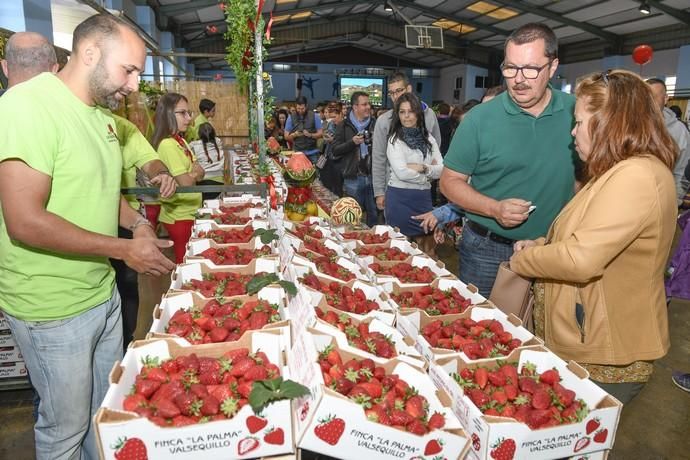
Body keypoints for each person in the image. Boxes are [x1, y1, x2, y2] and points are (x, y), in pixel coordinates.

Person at [0, 14, 175, 460]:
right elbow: (24, 220)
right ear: (91, 54)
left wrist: (137, 223)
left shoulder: (100, 117)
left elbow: (97, 191)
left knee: (104, 414)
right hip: (53, 307)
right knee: (64, 431)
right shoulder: (27, 107)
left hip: (101, 294)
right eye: (129, 70)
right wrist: (123, 249)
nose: (135, 85)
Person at [510, 70, 677, 404]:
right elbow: (587, 236)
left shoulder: (636, 176)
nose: (573, 133)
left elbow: (581, 259)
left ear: (610, 123)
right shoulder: (618, 170)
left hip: (606, 351)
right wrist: (543, 245)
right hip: (592, 338)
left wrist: (523, 258)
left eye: (580, 122)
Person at [440, 23, 577, 297]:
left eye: (531, 69)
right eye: (511, 68)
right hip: (488, 250)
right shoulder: (480, 119)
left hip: (555, 248)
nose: (519, 79)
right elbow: (449, 182)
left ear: (552, 67)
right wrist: (494, 208)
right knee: (484, 329)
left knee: (547, 334)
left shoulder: (576, 112)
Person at [372, 72, 441, 215]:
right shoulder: (384, 121)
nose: (395, 96)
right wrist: (379, 192)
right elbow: (378, 159)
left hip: (424, 190)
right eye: (391, 93)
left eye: (399, 91)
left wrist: (425, 170)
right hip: (395, 190)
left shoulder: (430, 115)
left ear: (409, 89)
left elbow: (436, 153)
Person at [385, 93, 443, 253]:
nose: (406, 116)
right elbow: (402, 173)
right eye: (402, 112)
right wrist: (429, 173)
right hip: (399, 199)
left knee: (427, 252)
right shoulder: (394, 140)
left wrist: (423, 168)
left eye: (410, 111)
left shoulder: (429, 139)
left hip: (423, 199)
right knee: (398, 252)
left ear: (418, 113)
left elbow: (442, 170)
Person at [152, 92, 205, 264]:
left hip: (189, 212)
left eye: (189, 113)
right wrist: (192, 174)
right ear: (168, 114)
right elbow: (186, 182)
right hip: (179, 216)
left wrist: (192, 174)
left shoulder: (181, 142)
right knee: (186, 263)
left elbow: (201, 170)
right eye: (183, 113)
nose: (188, 118)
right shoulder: (167, 145)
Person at [332, 91, 377, 227]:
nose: (368, 107)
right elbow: (335, 150)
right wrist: (352, 142)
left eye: (368, 104)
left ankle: (372, 244)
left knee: (374, 214)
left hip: (373, 177)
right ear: (355, 107)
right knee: (352, 217)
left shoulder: (375, 124)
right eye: (364, 104)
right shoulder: (343, 126)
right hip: (353, 178)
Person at [647, 78, 690, 204]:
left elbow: (682, 171)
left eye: (654, 96)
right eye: (645, 97)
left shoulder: (679, 131)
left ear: (665, 98)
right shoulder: (632, 125)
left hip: (662, 200)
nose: (649, 102)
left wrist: (675, 202)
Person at [190, 122, 225, 200]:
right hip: (219, 183)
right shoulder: (218, 142)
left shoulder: (194, 145)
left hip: (202, 182)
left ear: (199, 134)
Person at [285, 95, 323, 162]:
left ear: (306, 106)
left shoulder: (315, 116)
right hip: (297, 152)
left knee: (314, 172)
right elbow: (286, 136)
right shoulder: (290, 117)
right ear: (295, 106)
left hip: (312, 152)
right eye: (298, 108)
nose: (300, 111)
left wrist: (310, 135)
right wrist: (294, 135)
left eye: (302, 108)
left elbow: (320, 133)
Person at [319, 101, 345, 196]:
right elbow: (326, 140)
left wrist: (333, 140)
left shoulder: (346, 126)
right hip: (328, 157)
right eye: (331, 117)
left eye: (334, 117)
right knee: (327, 184)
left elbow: (346, 144)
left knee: (338, 187)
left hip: (340, 161)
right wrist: (326, 138)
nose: (332, 120)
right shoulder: (330, 124)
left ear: (341, 114)